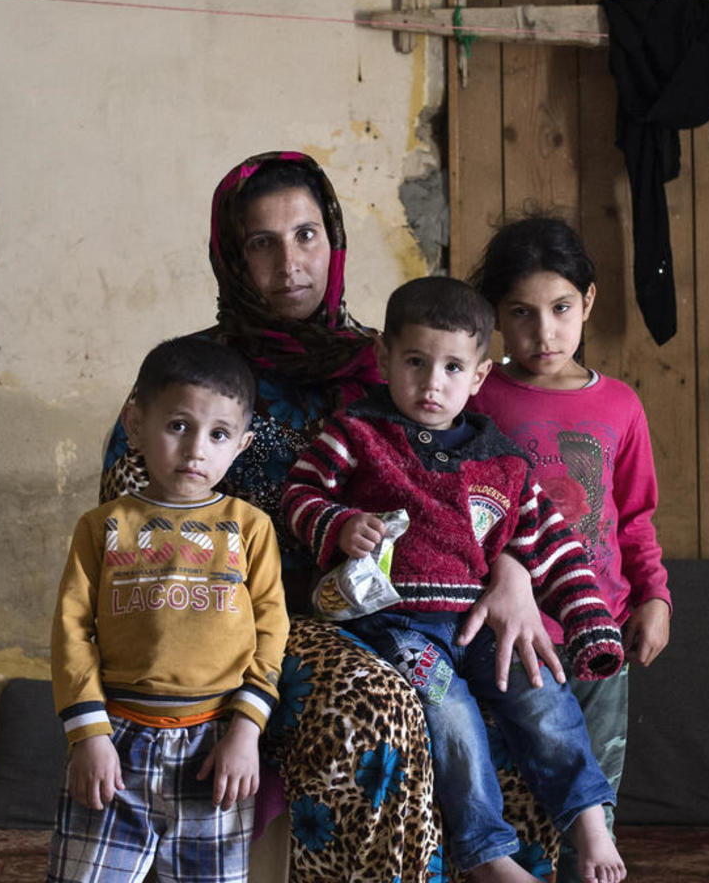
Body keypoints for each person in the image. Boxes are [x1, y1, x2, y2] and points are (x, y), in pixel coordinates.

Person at [100, 152, 567, 883]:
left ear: (334, 240)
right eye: (262, 243)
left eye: (306, 235)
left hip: (409, 603)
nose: (289, 263)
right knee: (375, 704)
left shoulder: (397, 361)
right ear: (232, 256)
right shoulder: (193, 377)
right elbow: (128, 521)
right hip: (247, 619)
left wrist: (511, 571)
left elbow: (482, 481)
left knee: (520, 682)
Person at [281, 276, 627, 883]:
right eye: (415, 362)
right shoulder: (357, 433)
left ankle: (589, 822)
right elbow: (299, 493)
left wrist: (591, 625)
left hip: (476, 625)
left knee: (543, 693)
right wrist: (339, 524)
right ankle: (487, 854)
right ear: (385, 357)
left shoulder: (502, 461)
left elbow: (553, 545)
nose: (432, 384)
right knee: (453, 713)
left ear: (479, 376)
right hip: (396, 626)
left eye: (452, 368)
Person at [468, 216, 672, 883]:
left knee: (595, 801)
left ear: (588, 301)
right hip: (510, 641)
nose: (543, 333)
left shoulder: (620, 406)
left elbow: (634, 517)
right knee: (521, 799)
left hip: (599, 635)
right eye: (520, 314)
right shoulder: (477, 396)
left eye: (560, 309)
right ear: (496, 317)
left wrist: (655, 596)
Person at [49, 336, 288, 883]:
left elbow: (271, 631)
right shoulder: (102, 527)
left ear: (242, 445)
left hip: (216, 747)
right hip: (115, 742)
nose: (196, 449)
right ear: (135, 425)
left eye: (218, 434)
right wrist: (89, 736)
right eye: (178, 425)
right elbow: (71, 631)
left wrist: (246, 731)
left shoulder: (251, 528)